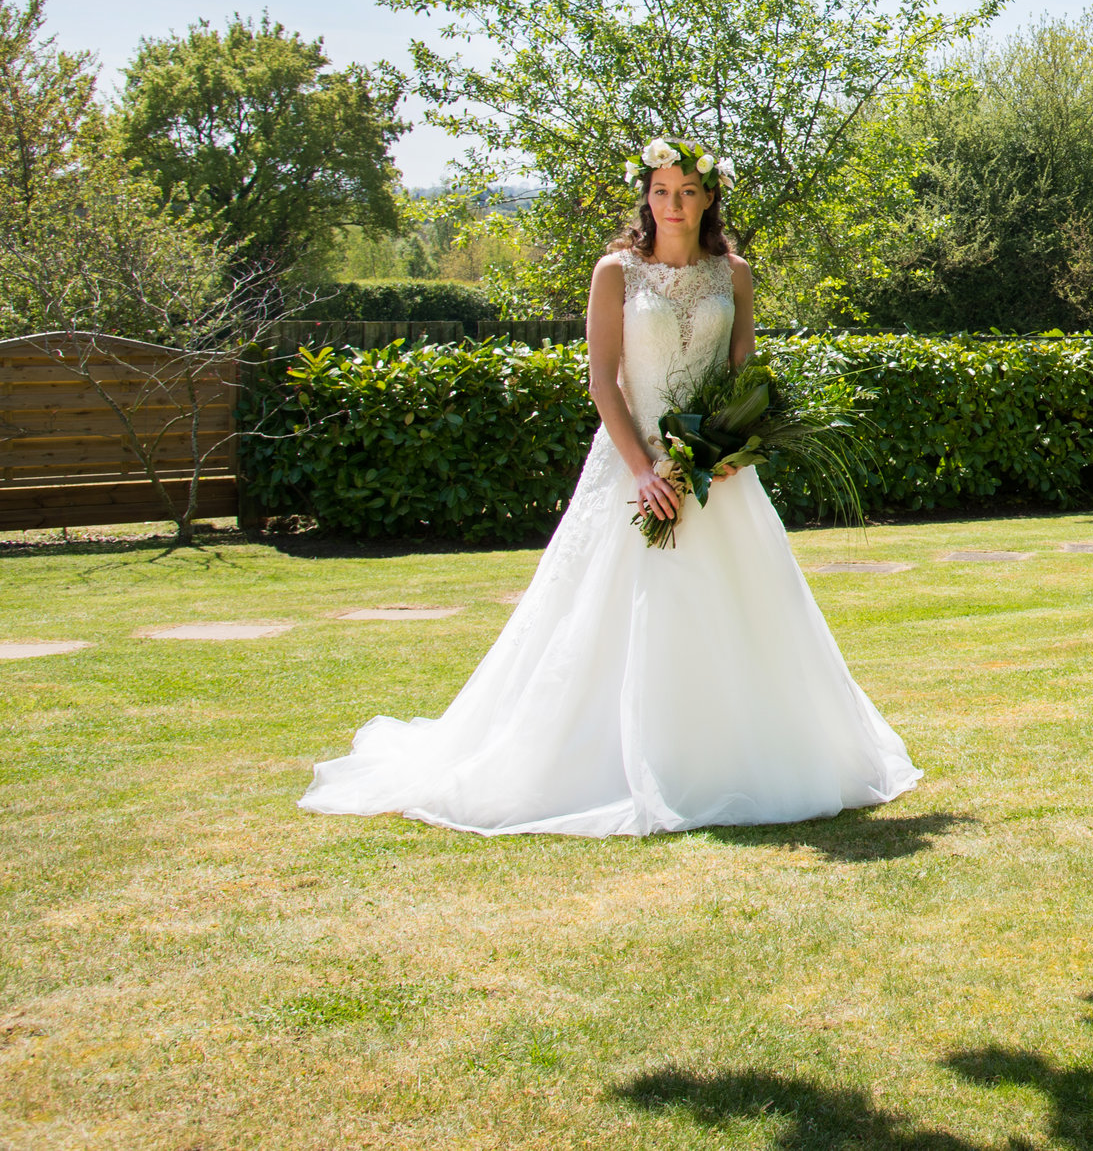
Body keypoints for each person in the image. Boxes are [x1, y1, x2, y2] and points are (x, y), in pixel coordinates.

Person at [300, 136, 921, 835]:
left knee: (744, 613)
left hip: (719, 473)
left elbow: (746, 376)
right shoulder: (615, 272)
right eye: (660, 191)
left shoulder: (735, 274)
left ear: (710, 196)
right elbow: (603, 379)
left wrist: (731, 449)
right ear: (646, 196)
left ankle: (738, 761)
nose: (673, 204)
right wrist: (643, 470)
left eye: (687, 191)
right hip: (635, 465)